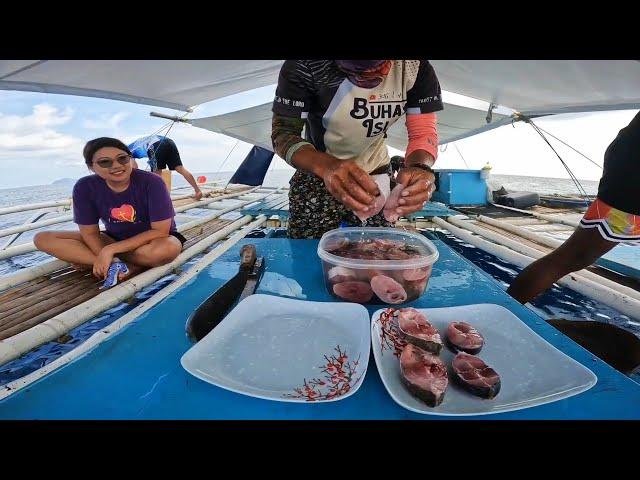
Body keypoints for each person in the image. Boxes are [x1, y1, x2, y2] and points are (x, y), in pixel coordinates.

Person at [271, 60, 443, 238]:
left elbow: (422, 133)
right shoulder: (304, 65)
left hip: (377, 177)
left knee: (376, 250)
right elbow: (283, 134)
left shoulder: (414, 66)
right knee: (307, 251)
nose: (368, 73)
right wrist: (327, 166)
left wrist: (420, 167)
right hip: (317, 173)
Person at [507, 111, 640, 303]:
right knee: (573, 256)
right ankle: (501, 312)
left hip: (629, 156)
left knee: (571, 257)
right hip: (633, 168)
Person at [33, 137, 186, 287]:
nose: (116, 165)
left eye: (122, 159)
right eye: (105, 162)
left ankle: (110, 261)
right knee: (43, 238)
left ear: (130, 159)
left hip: (154, 240)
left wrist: (109, 250)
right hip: (114, 237)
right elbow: (90, 233)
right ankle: (116, 265)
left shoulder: (152, 182)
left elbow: (160, 231)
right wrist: (105, 253)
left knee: (165, 250)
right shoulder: (84, 187)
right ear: (91, 167)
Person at [128, 135, 203, 200]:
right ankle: (197, 190)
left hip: (154, 144)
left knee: (155, 175)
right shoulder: (133, 145)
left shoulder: (127, 150)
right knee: (180, 169)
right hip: (170, 142)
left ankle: (158, 199)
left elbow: (134, 168)